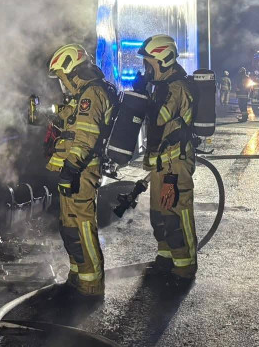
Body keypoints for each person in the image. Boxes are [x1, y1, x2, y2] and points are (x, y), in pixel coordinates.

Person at [45, 43, 116, 296]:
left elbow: (86, 137)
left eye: (62, 77)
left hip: (82, 171)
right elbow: (70, 123)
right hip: (74, 169)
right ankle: (79, 272)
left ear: (72, 70)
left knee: (83, 224)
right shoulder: (82, 94)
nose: (61, 83)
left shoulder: (91, 95)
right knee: (69, 223)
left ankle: (91, 283)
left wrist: (71, 169)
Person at [133, 35, 198, 283]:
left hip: (175, 163)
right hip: (162, 162)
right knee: (159, 214)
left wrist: (141, 96)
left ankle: (185, 266)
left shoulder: (177, 87)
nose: (146, 68)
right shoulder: (162, 86)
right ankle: (166, 258)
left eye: (149, 63)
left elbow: (159, 117)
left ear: (163, 60)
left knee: (176, 214)